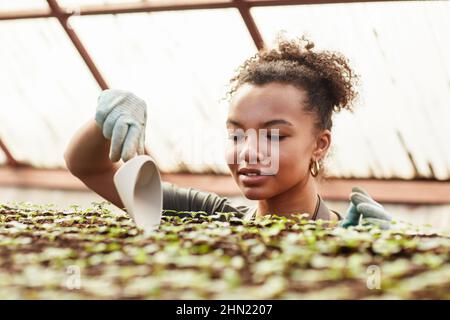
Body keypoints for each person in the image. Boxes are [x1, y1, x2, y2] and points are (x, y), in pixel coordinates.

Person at [64, 35, 391, 229]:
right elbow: (88, 166)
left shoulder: (354, 238)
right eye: (236, 135)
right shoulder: (208, 217)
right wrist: (104, 120)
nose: (249, 151)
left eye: (274, 136)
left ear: (320, 145)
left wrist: (382, 255)